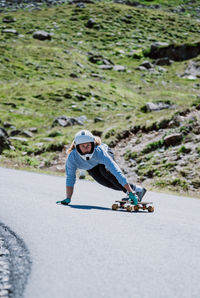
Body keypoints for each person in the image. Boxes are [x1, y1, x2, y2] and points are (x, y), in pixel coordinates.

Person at [59, 130, 146, 205]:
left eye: (88, 145)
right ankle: (138, 189)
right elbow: (70, 178)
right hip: (91, 166)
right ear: (77, 147)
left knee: (107, 173)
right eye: (83, 146)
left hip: (104, 155)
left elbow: (116, 172)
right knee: (105, 182)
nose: (86, 148)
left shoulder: (100, 152)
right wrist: (68, 198)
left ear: (93, 144)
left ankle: (132, 193)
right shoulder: (72, 158)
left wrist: (130, 192)